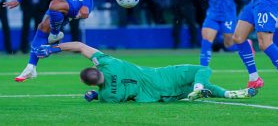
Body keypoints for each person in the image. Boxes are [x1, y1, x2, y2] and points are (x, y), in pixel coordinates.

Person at [35, 42, 258, 103]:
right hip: (162, 76)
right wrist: (54, 49)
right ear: (95, 68)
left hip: (161, 97)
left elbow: (124, 98)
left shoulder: (108, 97)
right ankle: (199, 88)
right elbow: (81, 46)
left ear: (91, 84)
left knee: (194, 85)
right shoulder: (108, 62)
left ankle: (231, 94)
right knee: (201, 70)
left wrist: (95, 97)